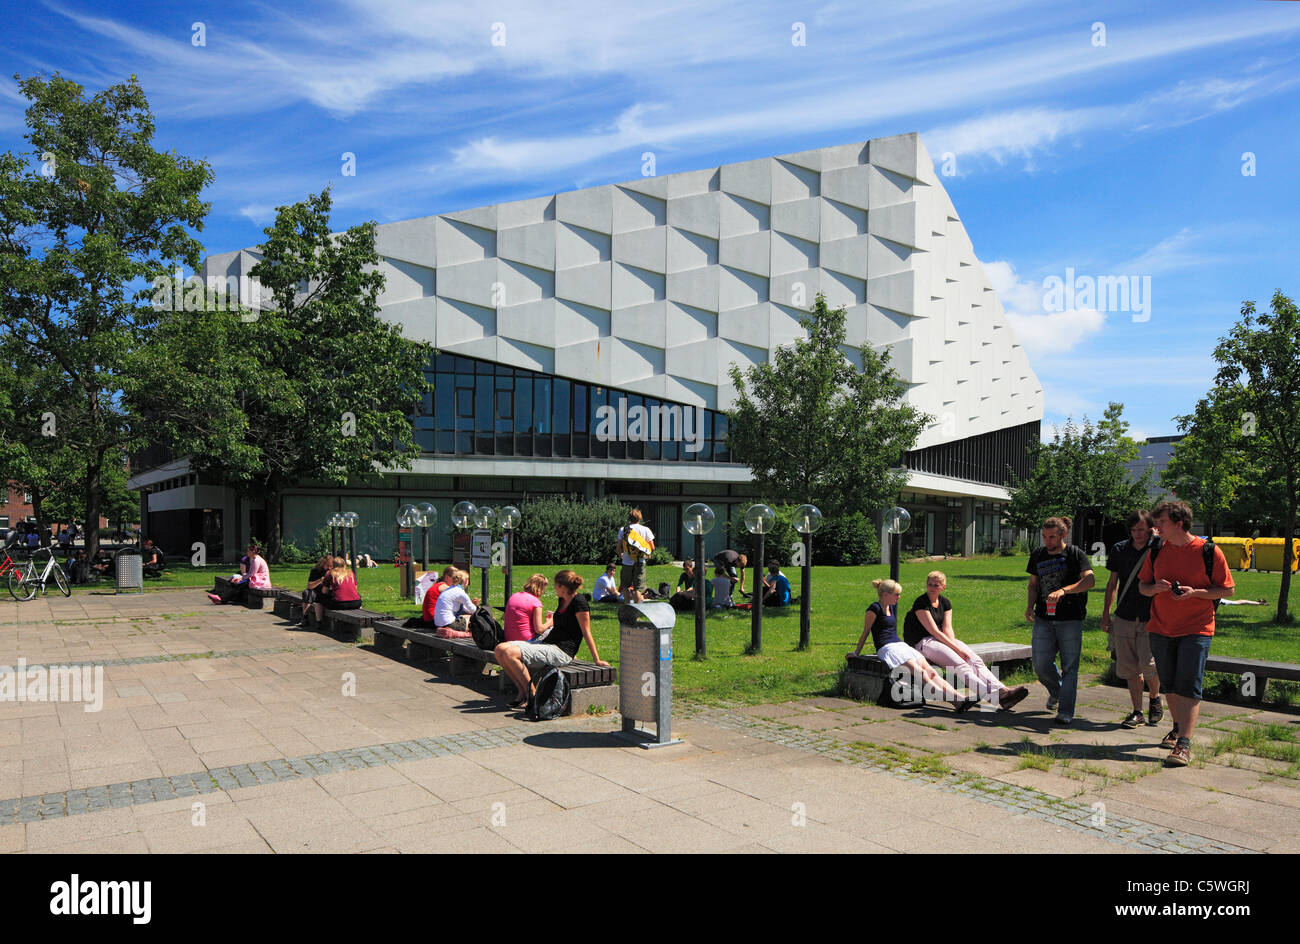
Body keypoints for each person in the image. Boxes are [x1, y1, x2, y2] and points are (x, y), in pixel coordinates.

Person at [1138, 500, 1234, 768]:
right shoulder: (1156, 550)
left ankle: (1184, 744)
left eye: (1162, 522)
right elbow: (1142, 587)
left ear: (1179, 524)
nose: (1156, 527)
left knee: (1189, 684)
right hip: (1160, 627)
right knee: (1169, 683)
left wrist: (1197, 593)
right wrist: (1155, 587)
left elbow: (1227, 590)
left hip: (1197, 628)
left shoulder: (1209, 551)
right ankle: (1178, 727)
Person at [903, 571, 1029, 710]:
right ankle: (995, 697)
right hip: (924, 642)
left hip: (940, 639)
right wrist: (956, 650)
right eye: (929, 584)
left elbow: (947, 628)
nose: (932, 587)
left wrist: (955, 645)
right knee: (960, 664)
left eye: (936, 585)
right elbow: (933, 631)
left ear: (943, 587)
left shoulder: (945, 602)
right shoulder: (921, 603)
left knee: (975, 661)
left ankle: (1003, 690)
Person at [851, 578, 977, 711]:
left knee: (932, 672)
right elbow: (865, 632)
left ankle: (960, 697)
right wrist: (856, 653)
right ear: (886, 595)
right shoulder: (874, 609)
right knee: (921, 674)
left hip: (901, 645)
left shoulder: (891, 607)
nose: (899, 597)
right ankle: (955, 702)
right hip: (887, 648)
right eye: (896, 594)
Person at [495, 570, 609, 709]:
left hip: (562, 651)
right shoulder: (562, 600)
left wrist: (597, 660)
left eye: (556, 585)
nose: (554, 588)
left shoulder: (580, 603)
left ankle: (532, 694)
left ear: (563, 587)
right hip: (548, 644)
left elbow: (586, 632)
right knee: (499, 649)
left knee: (509, 653)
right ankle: (522, 691)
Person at [1025, 516, 1094, 725]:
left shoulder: (1075, 555)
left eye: (1052, 536)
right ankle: (1057, 691)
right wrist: (1029, 606)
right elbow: (1033, 584)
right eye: (1045, 536)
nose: (1048, 541)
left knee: (1070, 666)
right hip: (1044, 617)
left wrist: (1064, 590)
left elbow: (1089, 580)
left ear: (1063, 535)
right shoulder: (1038, 554)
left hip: (1070, 619)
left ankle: (1065, 711)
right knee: (1040, 663)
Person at [1102, 510, 1164, 728]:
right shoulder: (1120, 549)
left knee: (1149, 665)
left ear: (1151, 528)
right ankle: (1137, 711)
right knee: (1129, 667)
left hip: (1151, 614)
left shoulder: (1158, 548)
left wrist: (1156, 540)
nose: (1138, 534)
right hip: (1125, 613)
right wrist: (1106, 613)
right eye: (1134, 530)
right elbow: (1112, 584)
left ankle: (1155, 699)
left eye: (1142, 529)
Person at [617, 509, 655, 603]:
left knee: (625, 586)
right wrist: (648, 553)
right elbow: (652, 547)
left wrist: (620, 554)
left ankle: (627, 607)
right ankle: (636, 612)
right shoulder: (645, 529)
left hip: (626, 562)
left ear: (629, 518)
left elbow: (619, 546)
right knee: (637, 589)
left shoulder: (623, 529)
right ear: (640, 518)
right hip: (640, 561)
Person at [311, 556, 361, 624]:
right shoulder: (350, 573)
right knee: (357, 596)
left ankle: (319, 621)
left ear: (333, 565)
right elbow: (355, 589)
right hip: (356, 603)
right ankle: (360, 615)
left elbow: (324, 591)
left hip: (339, 604)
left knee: (318, 598)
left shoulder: (330, 573)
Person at [432, 568, 479, 638]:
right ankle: (468, 634)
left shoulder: (449, 589)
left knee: (466, 616)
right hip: (449, 624)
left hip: (439, 624)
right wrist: (478, 608)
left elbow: (465, 609)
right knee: (473, 619)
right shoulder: (461, 593)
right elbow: (473, 610)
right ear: (466, 581)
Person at [504, 574, 550, 643]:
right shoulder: (535, 602)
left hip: (509, 639)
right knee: (552, 631)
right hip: (526, 641)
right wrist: (549, 622)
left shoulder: (514, 596)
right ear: (541, 588)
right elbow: (539, 629)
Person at [302, 554, 332, 624]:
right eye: (328, 565)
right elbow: (309, 586)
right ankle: (305, 617)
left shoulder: (332, 572)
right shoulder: (315, 570)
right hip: (315, 591)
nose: (330, 568)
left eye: (331, 566)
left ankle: (307, 618)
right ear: (322, 564)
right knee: (307, 593)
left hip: (326, 592)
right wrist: (320, 581)